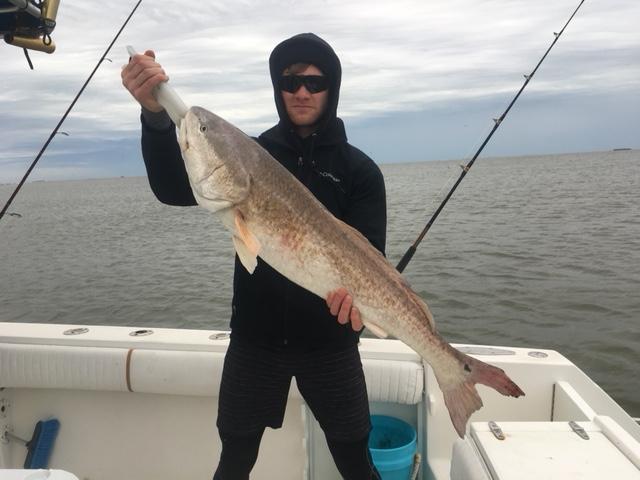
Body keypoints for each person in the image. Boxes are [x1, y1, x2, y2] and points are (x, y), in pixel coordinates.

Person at [121, 33, 386, 480]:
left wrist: (357, 307)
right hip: (255, 341)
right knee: (235, 459)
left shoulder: (359, 171)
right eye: (290, 80)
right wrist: (155, 116)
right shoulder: (247, 152)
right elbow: (171, 188)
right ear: (277, 87)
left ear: (332, 88)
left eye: (316, 83)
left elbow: (371, 259)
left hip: (331, 346)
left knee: (356, 461)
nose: (302, 91)